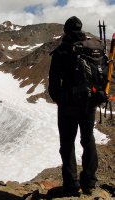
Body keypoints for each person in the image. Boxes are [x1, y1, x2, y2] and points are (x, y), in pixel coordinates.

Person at [48, 16, 98, 195]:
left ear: (66, 30)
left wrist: (61, 100)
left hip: (68, 105)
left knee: (67, 144)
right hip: (90, 103)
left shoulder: (62, 51)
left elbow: (53, 84)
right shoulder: (93, 48)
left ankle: (71, 185)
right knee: (88, 140)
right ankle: (90, 183)